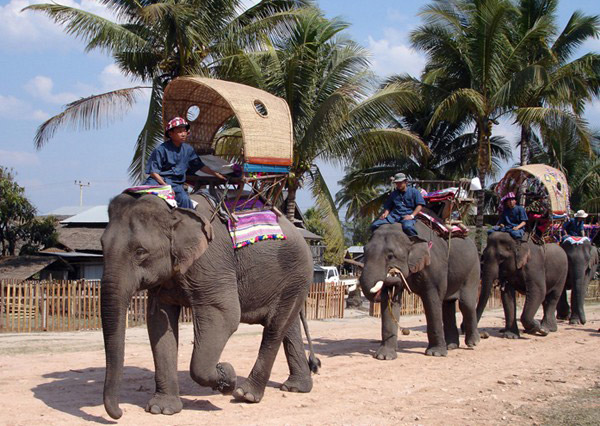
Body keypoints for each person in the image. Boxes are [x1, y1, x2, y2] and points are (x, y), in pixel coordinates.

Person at [145, 117, 226, 208]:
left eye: (184, 131)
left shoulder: (188, 150)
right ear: (170, 134)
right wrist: (165, 186)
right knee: (142, 195)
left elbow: (200, 166)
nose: (183, 134)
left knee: (185, 201)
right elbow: (153, 172)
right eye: (179, 131)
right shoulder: (161, 150)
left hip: (175, 185)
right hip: (158, 182)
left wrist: (215, 174)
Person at [370, 172, 425, 237]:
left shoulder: (414, 192)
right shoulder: (393, 194)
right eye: (397, 183)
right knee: (374, 225)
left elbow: (420, 205)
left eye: (400, 182)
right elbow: (388, 206)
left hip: (407, 215)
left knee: (408, 227)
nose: (398, 184)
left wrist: (412, 216)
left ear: (406, 182)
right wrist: (385, 214)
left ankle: (416, 242)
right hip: (394, 216)